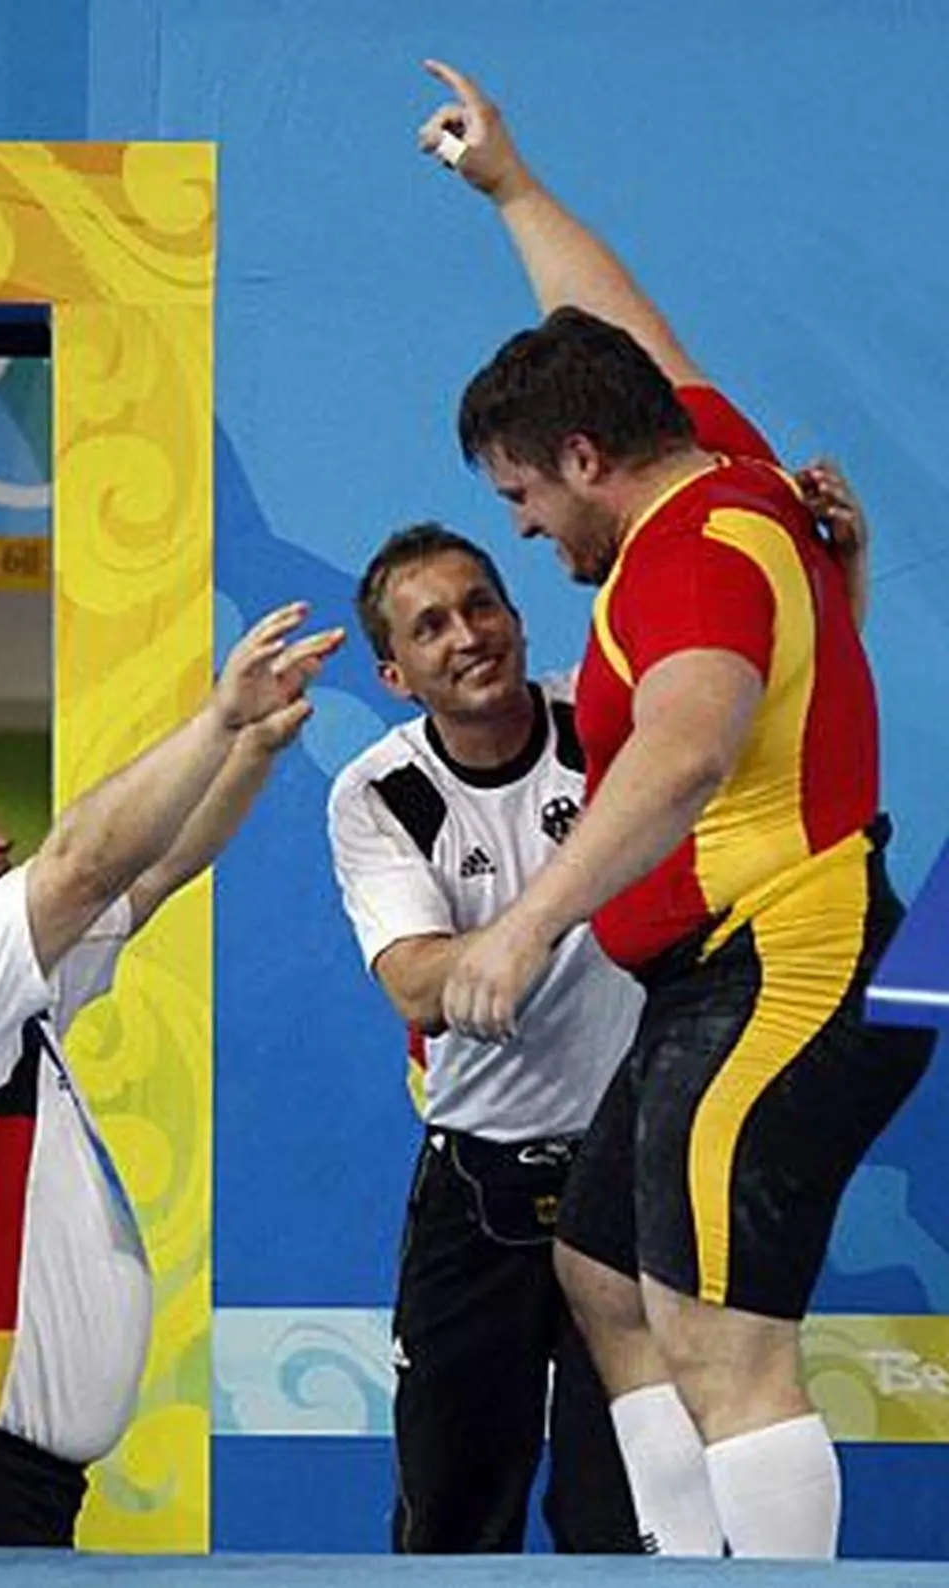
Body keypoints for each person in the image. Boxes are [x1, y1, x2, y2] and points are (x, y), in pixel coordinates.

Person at [415, 62, 932, 1559]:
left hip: (792, 958)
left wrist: (527, 919)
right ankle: (677, 1562)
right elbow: (626, 331)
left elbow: (690, 750)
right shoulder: (718, 468)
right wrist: (511, 190)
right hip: (722, 972)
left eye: (521, 493)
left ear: (584, 460)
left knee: (721, 1337)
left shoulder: (694, 553)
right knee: (600, 1271)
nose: (519, 524)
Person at [0, 600, 343, 1550]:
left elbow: (152, 872)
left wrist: (250, 752)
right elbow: (84, 863)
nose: (2, 839)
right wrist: (216, 717)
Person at [329, 523, 643, 1554]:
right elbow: (417, 984)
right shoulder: (381, 792)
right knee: (450, 1516)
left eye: (482, 606)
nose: (468, 635)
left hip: (632, 1172)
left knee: (623, 1515)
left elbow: (767, 733)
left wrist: (843, 576)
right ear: (394, 672)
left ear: (515, 616)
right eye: (432, 626)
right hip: (477, 1183)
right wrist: (537, 928)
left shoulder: (605, 723)